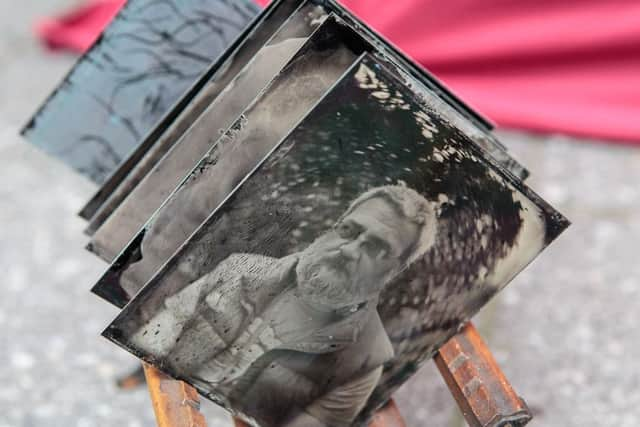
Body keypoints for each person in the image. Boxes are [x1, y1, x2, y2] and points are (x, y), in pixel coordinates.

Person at [130, 185, 437, 427]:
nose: (349, 251)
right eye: (349, 230)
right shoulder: (241, 269)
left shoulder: (365, 361)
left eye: (375, 248)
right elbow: (156, 337)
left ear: (392, 272)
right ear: (333, 226)